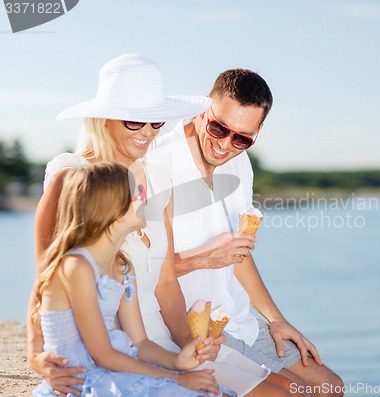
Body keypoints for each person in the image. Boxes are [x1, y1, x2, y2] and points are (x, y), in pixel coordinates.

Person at [29, 54, 294, 397]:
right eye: (133, 122)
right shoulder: (72, 178)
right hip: (111, 353)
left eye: (155, 123)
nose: (147, 134)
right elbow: (44, 279)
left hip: (158, 343)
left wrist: (191, 350)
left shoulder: (155, 177)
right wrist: (37, 354)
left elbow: (166, 282)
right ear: (103, 118)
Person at [148, 69, 344, 397]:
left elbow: (238, 253)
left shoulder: (240, 163)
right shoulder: (157, 165)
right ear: (202, 110)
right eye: (218, 128)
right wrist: (203, 259)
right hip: (181, 330)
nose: (226, 145)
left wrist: (276, 318)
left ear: (258, 132)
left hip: (237, 321)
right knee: (294, 394)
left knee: (330, 387)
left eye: (242, 137)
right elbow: (140, 272)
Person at [32, 163, 231, 396]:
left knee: (216, 392)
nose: (146, 197)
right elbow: (102, 355)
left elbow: (141, 343)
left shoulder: (122, 266)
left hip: (114, 368)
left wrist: (178, 362)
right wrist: (177, 381)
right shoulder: (76, 267)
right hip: (82, 380)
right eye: (138, 193)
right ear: (111, 208)